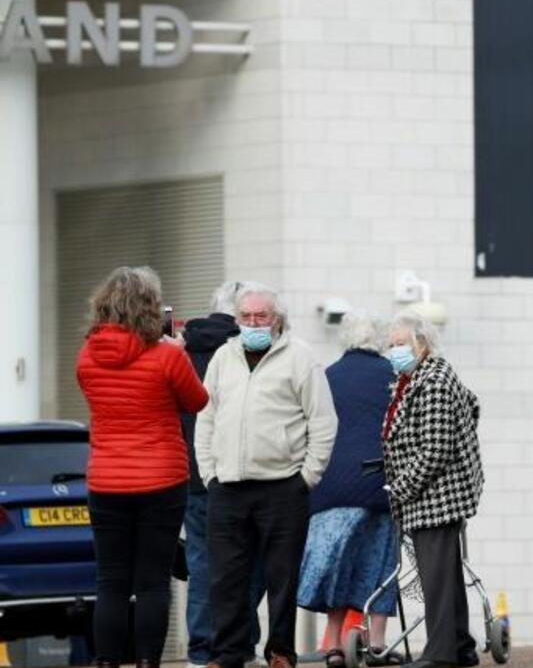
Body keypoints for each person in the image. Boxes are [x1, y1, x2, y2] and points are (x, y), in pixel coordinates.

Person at [195, 282, 337, 668]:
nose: (253, 322)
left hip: (283, 487)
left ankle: (280, 651)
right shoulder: (224, 357)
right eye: (246, 317)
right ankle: (228, 652)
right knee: (225, 578)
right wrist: (209, 472)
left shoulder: (300, 357)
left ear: (277, 320)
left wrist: (307, 476)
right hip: (227, 486)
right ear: (237, 319)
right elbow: (206, 417)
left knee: (282, 578)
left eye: (262, 316)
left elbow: (323, 421)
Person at [75, 266, 209, 668]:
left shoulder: (87, 357)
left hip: (106, 480)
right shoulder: (168, 355)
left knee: (111, 580)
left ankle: (106, 661)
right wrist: (179, 353)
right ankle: (149, 662)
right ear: (151, 307)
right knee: (152, 581)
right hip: (161, 479)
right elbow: (197, 401)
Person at [381, 311, 484, 668]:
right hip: (434, 494)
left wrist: (400, 487)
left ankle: (441, 655)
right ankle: (460, 646)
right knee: (446, 576)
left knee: (436, 579)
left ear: (421, 345)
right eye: (391, 345)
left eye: (400, 345)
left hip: (436, 496)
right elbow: (472, 404)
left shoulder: (433, 380)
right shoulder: (417, 377)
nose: (394, 351)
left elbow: (436, 448)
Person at [298, 311, 401, 666]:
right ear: (382, 341)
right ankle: (377, 642)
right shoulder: (394, 376)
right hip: (381, 485)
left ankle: (333, 644)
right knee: (381, 563)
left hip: (332, 488)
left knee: (337, 565)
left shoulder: (328, 376)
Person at [179, 281, 267, 668]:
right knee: (249, 561)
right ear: (240, 316)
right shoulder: (243, 353)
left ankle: (202, 649)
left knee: (201, 562)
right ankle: (241, 644)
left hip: (192, 475)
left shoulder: (181, 350)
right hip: (238, 474)